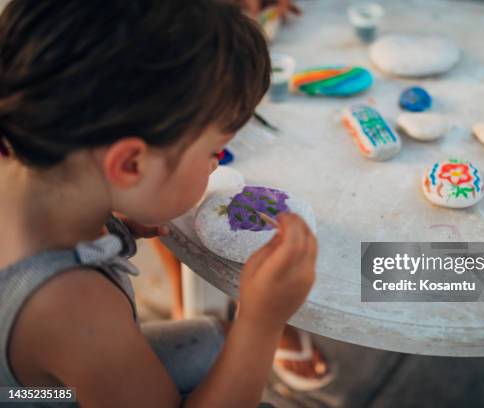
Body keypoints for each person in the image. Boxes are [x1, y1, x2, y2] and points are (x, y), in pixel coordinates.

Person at [0, 0, 317, 406]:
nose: (217, 162)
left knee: (216, 343)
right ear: (131, 164)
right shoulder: (71, 306)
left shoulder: (34, 165)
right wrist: (261, 321)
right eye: (214, 151)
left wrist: (113, 225)